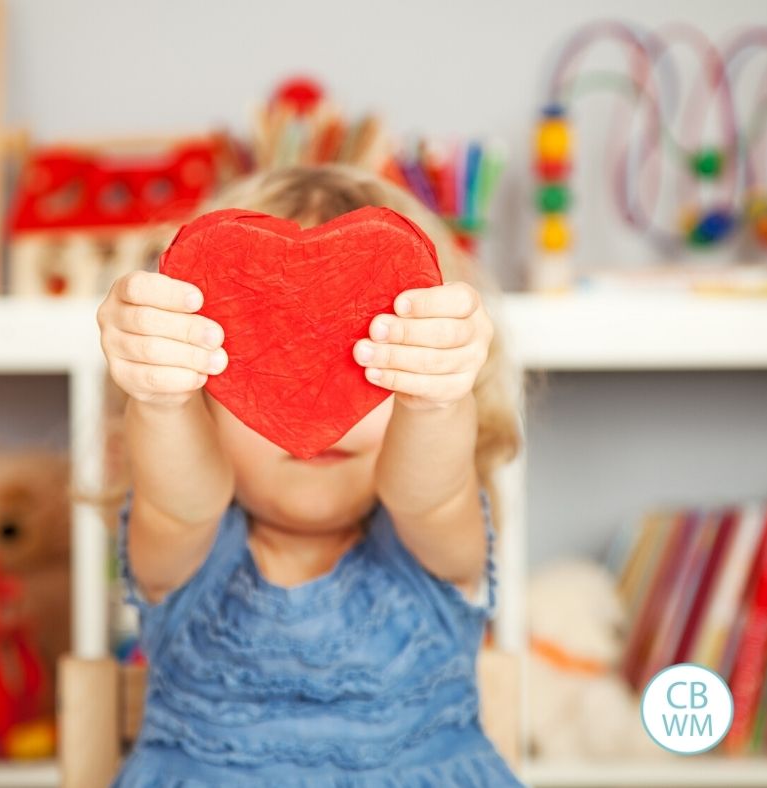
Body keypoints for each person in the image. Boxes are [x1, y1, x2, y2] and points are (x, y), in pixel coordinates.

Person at [97, 164, 525, 786]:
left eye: (364, 364)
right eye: (271, 366)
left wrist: (435, 400)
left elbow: (430, 493)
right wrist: (162, 397)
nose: (312, 404)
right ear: (205, 403)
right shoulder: (185, 550)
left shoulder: (434, 543)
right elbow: (180, 501)